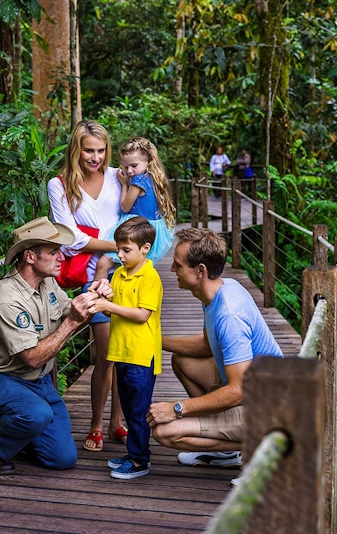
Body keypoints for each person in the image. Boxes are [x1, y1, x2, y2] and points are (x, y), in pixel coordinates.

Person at [0, 216, 113, 474]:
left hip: (41, 383)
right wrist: (71, 322)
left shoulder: (47, 282)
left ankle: (23, 433)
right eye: (53, 252)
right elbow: (33, 358)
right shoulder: (5, 297)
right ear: (30, 257)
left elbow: (71, 309)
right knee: (36, 415)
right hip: (1, 380)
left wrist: (95, 296)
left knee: (63, 459)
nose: (61, 258)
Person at [146, 227, 283, 468]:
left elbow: (237, 391)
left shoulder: (229, 314)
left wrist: (177, 409)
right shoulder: (219, 289)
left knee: (165, 431)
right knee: (182, 360)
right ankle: (226, 448)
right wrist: (154, 340)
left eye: (178, 266)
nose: (171, 270)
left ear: (201, 271)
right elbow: (206, 345)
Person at [47, 121, 127, 452]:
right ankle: (96, 422)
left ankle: (117, 422)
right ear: (76, 149)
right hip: (91, 279)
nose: (95, 157)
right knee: (106, 354)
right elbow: (70, 239)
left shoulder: (118, 177)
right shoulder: (60, 184)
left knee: (127, 353)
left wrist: (118, 250)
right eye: (88, 150)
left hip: (128, 273)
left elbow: (137, 217)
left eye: (100, 150)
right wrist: (120, 245)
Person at [87, 217, 163, 479]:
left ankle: (141, 461)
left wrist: (108, 306)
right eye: (118, 249)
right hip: (121, 351)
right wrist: (104, 295)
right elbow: (115, 312)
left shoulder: (150, 277)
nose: (119, 255)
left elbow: (142, 315)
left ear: (145, 248)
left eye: (126, 250)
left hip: (141, 355)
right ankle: (133, 454)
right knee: (130, 408)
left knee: (139, 410)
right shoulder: (119, 273)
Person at [94, 137, 176, 280]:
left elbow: (125, 206)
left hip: (136, 229)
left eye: (134, 165)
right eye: (125, 167)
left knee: (103, 264)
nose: (130, 171)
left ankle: (95, 299)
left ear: (148, 161)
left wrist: (125, 184)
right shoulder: (153, 177)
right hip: (152, 229)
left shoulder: (138, 181)